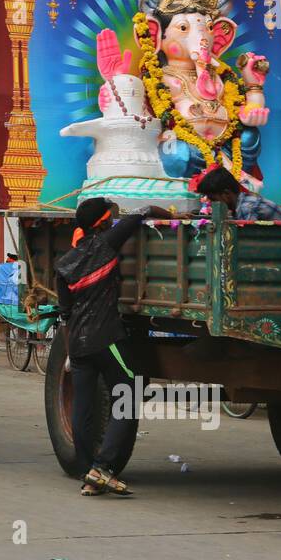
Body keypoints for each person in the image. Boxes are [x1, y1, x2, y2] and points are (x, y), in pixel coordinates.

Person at [55, 198, 172, 496]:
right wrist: (171, 214)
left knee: (83, 407)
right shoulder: (106, 245)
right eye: (109, 216)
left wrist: (70, 352)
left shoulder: (64, 265)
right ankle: (103, 466)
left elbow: (65, 314)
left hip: (79, 344)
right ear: (104, 223)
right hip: (106, 338)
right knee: (129, 393)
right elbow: (142, 212)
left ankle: (88, 472)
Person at [195, 166, 281, 221]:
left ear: (226, 193)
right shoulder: (239, 205)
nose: (211, 203)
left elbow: (246, 242)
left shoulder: (247, 207)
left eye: (213, 199)